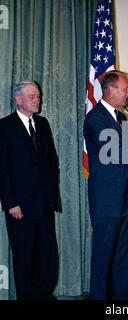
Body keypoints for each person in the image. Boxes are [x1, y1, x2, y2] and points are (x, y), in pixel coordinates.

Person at [83, 70, 128, 300]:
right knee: (103, 259)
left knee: (124, 257)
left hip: (126, 198)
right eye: (125, 89)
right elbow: (115, 154)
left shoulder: (122, 118)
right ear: (110, 90)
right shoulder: (95, 119)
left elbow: (125, 154)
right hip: (106, 200)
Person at [0, 81, 59, 300]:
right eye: (33, 96)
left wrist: (52, 197)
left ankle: (45, 295)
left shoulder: (43, 124)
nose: (38, 100)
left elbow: (52, 162)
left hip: (44, 204)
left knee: (47, 255)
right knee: (24, 256)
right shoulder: (4, 126)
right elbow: (2, 170)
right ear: (19, 99)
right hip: (19, 206)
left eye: (38, 96)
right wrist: (11, 203)